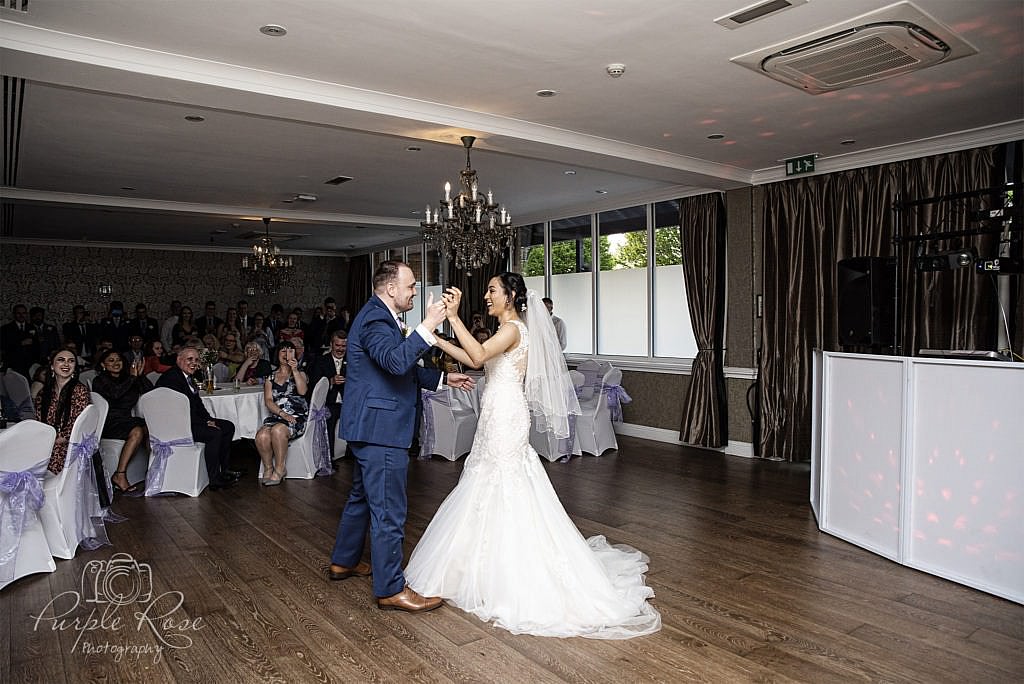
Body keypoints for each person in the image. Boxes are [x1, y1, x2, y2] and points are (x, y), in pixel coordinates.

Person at [405, 273, 661, 638]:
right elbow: (474, 359)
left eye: (492, 290)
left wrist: (455, 317)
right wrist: (438, 339)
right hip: (497, 410)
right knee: (485, 481)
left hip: (507, 415)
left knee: (503, 480)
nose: (487, 295)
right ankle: (484, 564)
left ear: (510, 297)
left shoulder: (513, 330)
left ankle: (511, 569)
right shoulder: (506, 330)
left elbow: (476, 356)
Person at [327, 259, 474, 613]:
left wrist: (440, 379)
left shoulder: (378, 316)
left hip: (369, 426)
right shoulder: (376, 319)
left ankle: (343, 561)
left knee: (362, 498)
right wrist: (429, 325)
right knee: (390, 510)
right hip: (381, 429)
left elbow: (396, 369)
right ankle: (391, 588)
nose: (413, 292)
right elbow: (395, 362)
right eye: (410, 286)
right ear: (391, 288)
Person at [155, 346, 240, 490]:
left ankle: (224, 470)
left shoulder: (187, 377)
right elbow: (179, 411)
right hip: (177, 426)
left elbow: (198, 405)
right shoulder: (172, 379)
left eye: (196, 360)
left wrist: (208, 419)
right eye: (189, 359)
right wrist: (205, 423)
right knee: (215, 433)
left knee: (228, 426)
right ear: (179, 360)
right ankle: (214, 479)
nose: (194, 363)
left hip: (190, 421)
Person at [92, 349, 151, 493]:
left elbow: (150, 392)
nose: (116, 363)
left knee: (153, 427)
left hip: (126, 419)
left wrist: (140, 376)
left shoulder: (128, 378)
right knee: (137, 431)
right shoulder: (99, 380)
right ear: (103, 364)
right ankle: (120, 474)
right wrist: (132, 378)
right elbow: (116, 394)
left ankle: (153, 471)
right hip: (109, 422)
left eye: (118, 359)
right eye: (111, 360)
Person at [254, 341, 309, 486]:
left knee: (278, 431)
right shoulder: (270, 377)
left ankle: (280, 469)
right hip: (278, 416)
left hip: (296, 418)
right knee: (262, 436)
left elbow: (303, 391)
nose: (286, 355)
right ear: (277, 354)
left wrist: (295, 369)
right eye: (283, 351)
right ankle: (268, 468)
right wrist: (282, 414)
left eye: (290, 351)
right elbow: (268, 400)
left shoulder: (301, 373)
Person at [34, 348, 91, 475]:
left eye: (71, 361)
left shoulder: (79, 391)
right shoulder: (43, 393)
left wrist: (54, 441)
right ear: (52, 366)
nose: (66, 364)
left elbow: (76, 424)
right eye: (61, 360)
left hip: (68, 444)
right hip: (48, 440)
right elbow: (39, 422)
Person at [307, 329, 347, 460]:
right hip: (329, 402)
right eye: (337, 345)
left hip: (349, 403)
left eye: (343, 346)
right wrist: (330, 381)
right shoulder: (321, 361)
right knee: (329, 420)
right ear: (331, 344)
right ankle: (329, 459)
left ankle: (353, 457)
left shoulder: (353, 361)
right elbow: (314, 384)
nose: (340, 349)